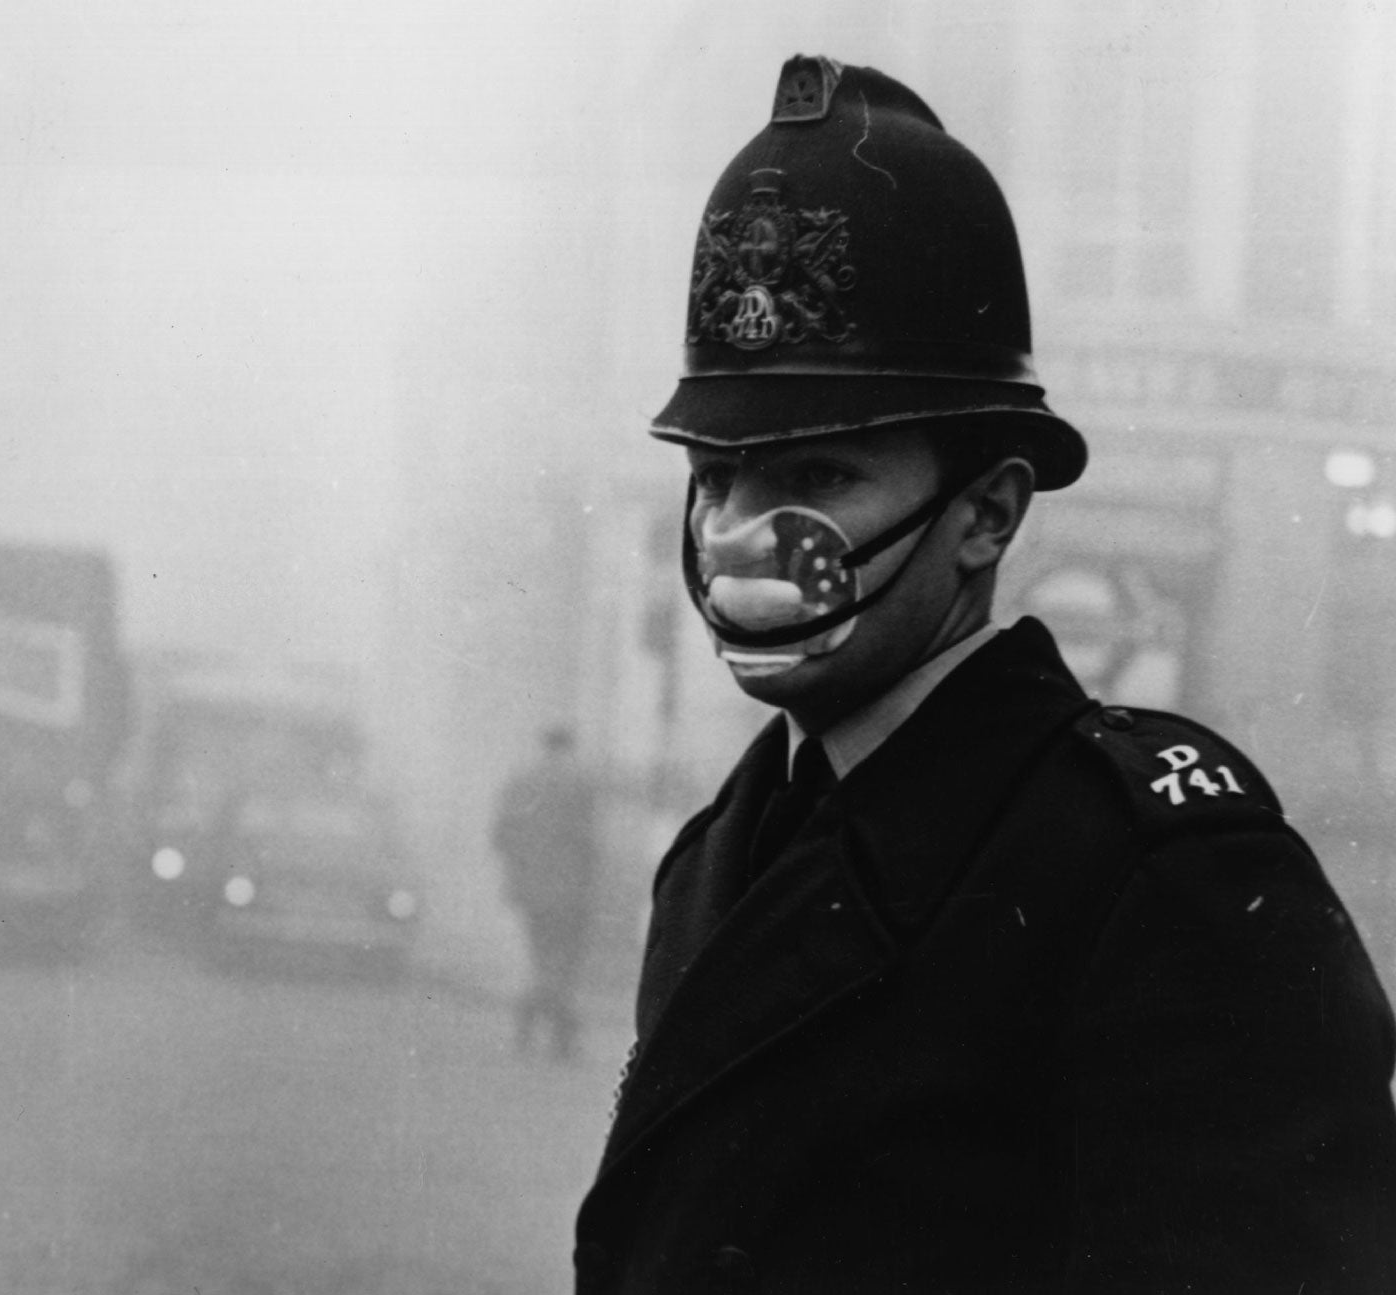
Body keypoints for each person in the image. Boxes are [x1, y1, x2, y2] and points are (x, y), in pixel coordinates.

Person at [573, 56, 1396, 1293]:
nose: (746, 532)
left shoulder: (1158, 870)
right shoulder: (718, 853)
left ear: (986, 514)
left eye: (823, 475)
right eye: (720, 475)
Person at [493, 725, 601, 1061]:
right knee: (564, 964)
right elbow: (589, 841)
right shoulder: (581, 784)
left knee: (541, 959)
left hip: (532, 892)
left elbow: (500, 836)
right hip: (570, 892)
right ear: (570, 746)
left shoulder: (522, 781)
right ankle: (559, 1038)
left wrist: (521, 871)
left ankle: (528, 1029)